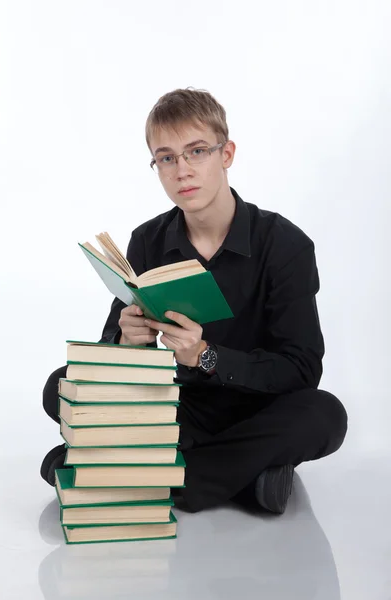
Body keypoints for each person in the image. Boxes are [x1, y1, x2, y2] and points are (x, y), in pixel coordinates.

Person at [41, 87, 348, 514]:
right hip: (178, 411)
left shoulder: (285, 244)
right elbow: (109, 363)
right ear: (157, 166)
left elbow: (301, 369)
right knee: (61, 384)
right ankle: (251, 478)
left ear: (227, 154)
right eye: (166, 157)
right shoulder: (148, 239)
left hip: (260, 410)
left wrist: (207, 357)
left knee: (325, 414)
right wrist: (128, 342)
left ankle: (154, 478)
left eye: (197, 151)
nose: (182, 170)